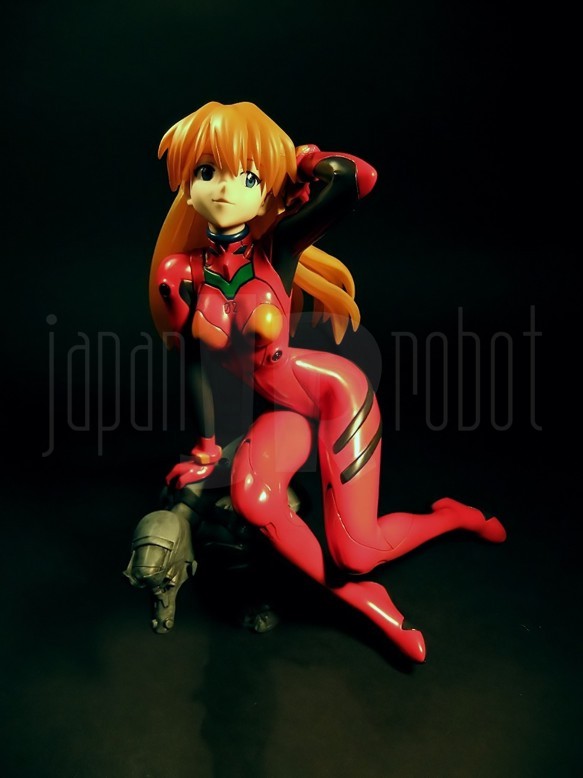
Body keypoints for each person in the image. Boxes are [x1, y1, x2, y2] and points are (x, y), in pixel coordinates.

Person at [136, 100, 506, 662]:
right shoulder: (180, 272)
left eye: (248, 177)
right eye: (207, 171)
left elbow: (356, 178)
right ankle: (362, 599)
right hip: (284, 414)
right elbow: (195, 360)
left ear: (267, 192)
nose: (225, 188)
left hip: (335, 396)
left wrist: (301, 160)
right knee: (254, 499)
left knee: (357, 550)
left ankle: (450, 517)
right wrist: (207, 448)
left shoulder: (277, 249)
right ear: (187, 187)